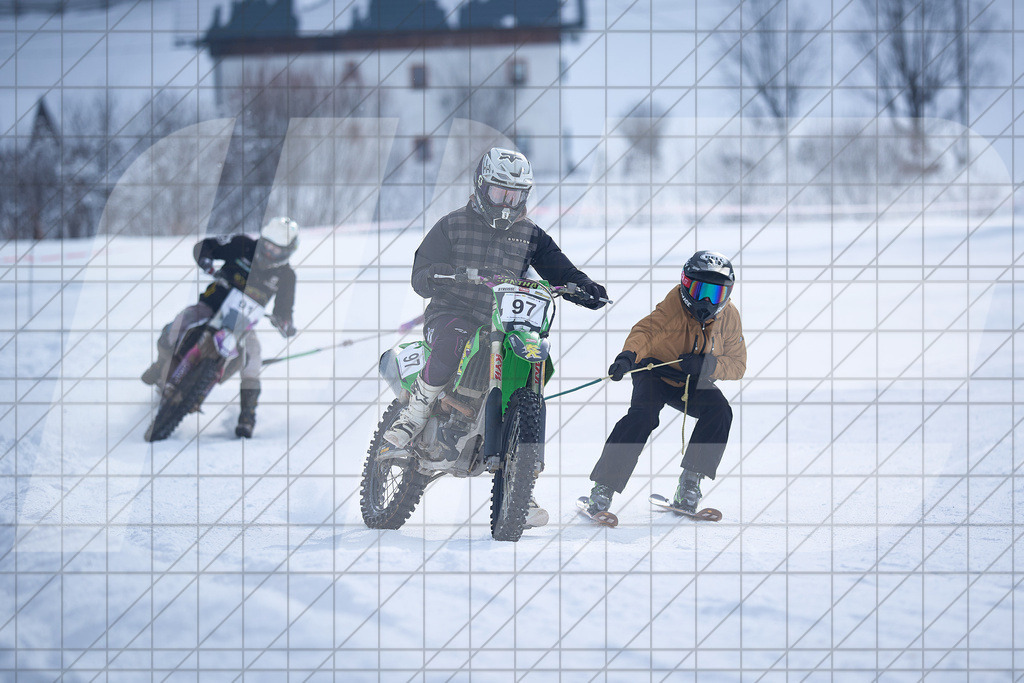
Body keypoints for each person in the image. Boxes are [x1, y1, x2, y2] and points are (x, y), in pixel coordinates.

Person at [385, 147, 609, 527]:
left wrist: (586, 288)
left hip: (503, 323)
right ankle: (415, 413)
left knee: (528, 367)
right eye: (499, 192)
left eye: (515, 195)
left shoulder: (531, 235)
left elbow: (561, 269)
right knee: (455, 338)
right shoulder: (453, 224)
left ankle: (520, 480)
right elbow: (421, 272)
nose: (507, 202)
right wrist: (443, 275)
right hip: (452, 313)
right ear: (481, 186)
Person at [582, 251, 746, 515]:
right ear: (685, 284)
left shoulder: (729, 317)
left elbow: (737, 364)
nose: (705, 300)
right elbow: (646, 332)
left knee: (720, 411)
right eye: (699, 290)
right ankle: (603, 488)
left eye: (714, 294)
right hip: (653, 371)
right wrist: (627, 357)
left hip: (691, 377)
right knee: (641, 417)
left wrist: (707, 366)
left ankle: (690, 483)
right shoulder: (674, 307)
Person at [141, 217, 300, 438]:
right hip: (212, 305)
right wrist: (206, 260)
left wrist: (285, 322)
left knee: (253, 357)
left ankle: (247, 415)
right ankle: (160, 365)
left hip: (243, 324)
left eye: (277, 249)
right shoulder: (243, 245)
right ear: (262, 239)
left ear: (288, 252)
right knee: (180, 322)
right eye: (268, 245)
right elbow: (205, 246)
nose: (270, 252)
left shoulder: (287, 276)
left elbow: (285, 308)